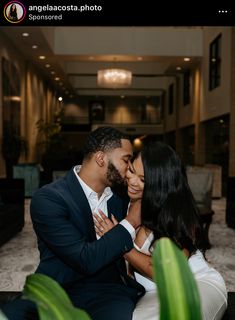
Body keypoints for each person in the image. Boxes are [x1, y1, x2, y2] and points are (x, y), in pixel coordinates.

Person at [1, 126, 145, 320]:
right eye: (126, 160)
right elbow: (84, 259)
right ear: (101, 158)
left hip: (107, 292)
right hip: (54, 289)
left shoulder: (123, 197)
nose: (129, 170)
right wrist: (130, 222)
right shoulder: (49, 198)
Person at [94, 141, 227, 320]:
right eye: (131, 170)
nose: (132, 181)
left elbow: (166, 272)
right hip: (150, 293)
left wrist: (119, 242)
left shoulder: (177, 214)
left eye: (143, 180)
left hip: (194, 284)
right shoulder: (121, 202)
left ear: (160, 184)